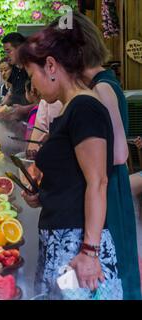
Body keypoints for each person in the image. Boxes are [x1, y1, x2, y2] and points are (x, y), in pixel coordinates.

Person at [19, 22, 123, 299]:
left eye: (32, 74)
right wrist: (43, 194)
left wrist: (89, 252)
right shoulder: (69, 109)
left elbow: (98, 181)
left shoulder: (85, 108)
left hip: (76, 248)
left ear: (51, 66)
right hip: (62, 240)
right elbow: (74, 179)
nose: (33, 86)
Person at [50, 12, 141, 300]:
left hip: (107, 188)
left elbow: (118, 153)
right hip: (106, 186)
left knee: (111, 271)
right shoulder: (99, 84)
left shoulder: (101, 88)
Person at [0, 33, 35, 121]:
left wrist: (24, 109)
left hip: (31, 120)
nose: (7, 55)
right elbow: (12, 90)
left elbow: (44, 103)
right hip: (16, 121)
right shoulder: (14, 68)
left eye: (8, 51)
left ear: (20, 49)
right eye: (5, 52)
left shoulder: (33, 70)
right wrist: (1, 107)